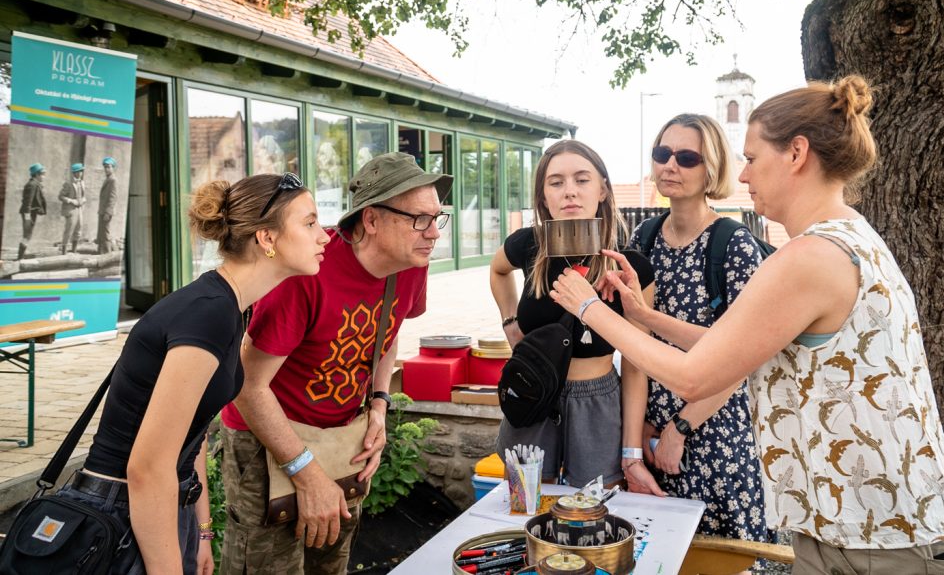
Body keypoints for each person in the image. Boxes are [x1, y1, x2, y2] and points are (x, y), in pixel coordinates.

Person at [550, 76, 944, 574]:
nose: (743, 174)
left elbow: (696, 375)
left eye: (752, 158)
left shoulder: (811, 256)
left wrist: (589, 307)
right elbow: (737, 345)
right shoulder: (846, 235)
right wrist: (642, 316)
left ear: (796, 153)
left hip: (889, 541)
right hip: (846, 529)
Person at [57, 172, 328, 575]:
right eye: (310, 223)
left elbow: (192, 432)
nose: (324, 237)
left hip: (160, 509)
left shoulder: (229, 305)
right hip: (121, 517)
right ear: (267, 238)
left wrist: (202, 533)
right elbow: (148, 470)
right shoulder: (209, 313)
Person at [219, 152, 452, 575]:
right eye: (420, 219)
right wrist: (307, 474)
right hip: (267, 441)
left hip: (340, 438)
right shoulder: (306, 269)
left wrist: (378, 405)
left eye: (437, 218)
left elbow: (389, 330)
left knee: (329, 565)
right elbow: (247, 386)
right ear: (371, 219)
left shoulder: (410, 262)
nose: (434, 233)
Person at [623, 114, 772, 563]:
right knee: (660, 559)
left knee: (724, 560)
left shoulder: (734, 244)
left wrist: (681, 428)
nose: (670, 165)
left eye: (687, 157)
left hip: (714, 435)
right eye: (662, 153)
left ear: (712, 169)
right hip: (654, 436)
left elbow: (742, 356)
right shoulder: (644, 238)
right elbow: (636, 347)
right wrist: (639, 432)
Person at [490, 139, 655, 488]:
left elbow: (637, 365)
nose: (569, 191)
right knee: (524, 505)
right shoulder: (528, 245)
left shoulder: (631, 268)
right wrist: (509, 322)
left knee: (594, 509)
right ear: (543, 197)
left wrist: (632, 453)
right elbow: (497, 270)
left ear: (602, 190)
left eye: (581, 179)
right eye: (556, 182)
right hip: (532, 392)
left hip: (597, 401)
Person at [18, 162, 46, 260]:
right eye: (42, 174)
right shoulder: (32, 185)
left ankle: (21, 255)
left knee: (28, 235)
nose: (44, 177)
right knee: (27, 235)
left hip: (31, 212)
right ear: (37, 174)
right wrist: (27, 217)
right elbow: (27, 202)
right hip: (28, 213)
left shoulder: (35, 184)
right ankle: (20, 257)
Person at [58, 162, 86, 254]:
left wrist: (83, 200)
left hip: (79, 209)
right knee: (69, 230)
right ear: (75, 172)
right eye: (79, 171)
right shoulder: (68, 183)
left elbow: (83, 196)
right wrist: (71, 201)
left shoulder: (82, 182)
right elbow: (60, 196)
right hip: (71, 209)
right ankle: (64, 252)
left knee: (79, 228)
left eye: (81, 171)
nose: (81, 173)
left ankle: (74, 251)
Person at [97, 156, 118, 254]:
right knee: (101, 232)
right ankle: (101, 253)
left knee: (105, 233)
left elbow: (113, 198)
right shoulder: (108, 179)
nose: (106, 169)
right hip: (102, 211)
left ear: (113, 168)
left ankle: (108, 254)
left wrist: (108, 212)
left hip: (106, 212)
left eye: (109, 167)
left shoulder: (113, 180)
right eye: (105, 167)